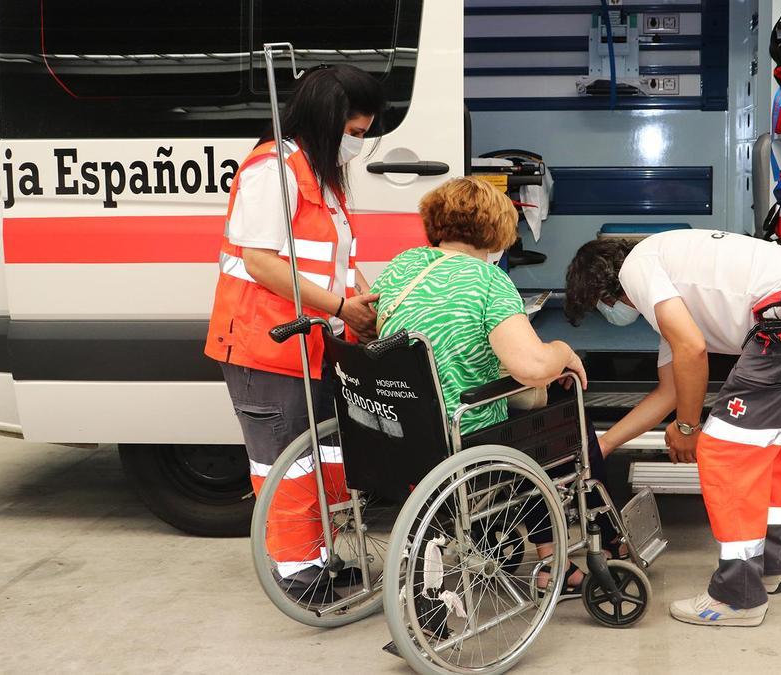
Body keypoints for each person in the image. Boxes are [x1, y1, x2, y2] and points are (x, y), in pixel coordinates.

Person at [564, 229, 781, 626]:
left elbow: (692, 349)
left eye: (599, 306)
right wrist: (601, 446)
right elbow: (670, 390)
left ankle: (737, 597)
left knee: (725, 451)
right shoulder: (671, 284)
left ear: (603, 290)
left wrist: (688, 429)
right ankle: (769, 566)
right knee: (769, 449)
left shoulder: (637, 267)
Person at [203, 64, 383, 604]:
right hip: (266, 342)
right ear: (328, 119)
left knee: (321, 455)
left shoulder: (317, 175)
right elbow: (260, 263)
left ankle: (321, 557)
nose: (359, 145)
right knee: (283, 458)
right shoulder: (273, 171)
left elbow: (337, 262)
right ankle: (296, 574)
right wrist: (341, 309)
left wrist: (370, 301)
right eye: (354, 133)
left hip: (311, 339)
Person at [370, 176, 601, 595]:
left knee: (528, 412)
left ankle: (542, 549)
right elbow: (531, 366)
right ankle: (557, 560)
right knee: (555, 409)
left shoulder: (402, 265)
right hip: (463, 434)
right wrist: (564, 350)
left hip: (395, 425)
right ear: (498, 230)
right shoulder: (490, 282)